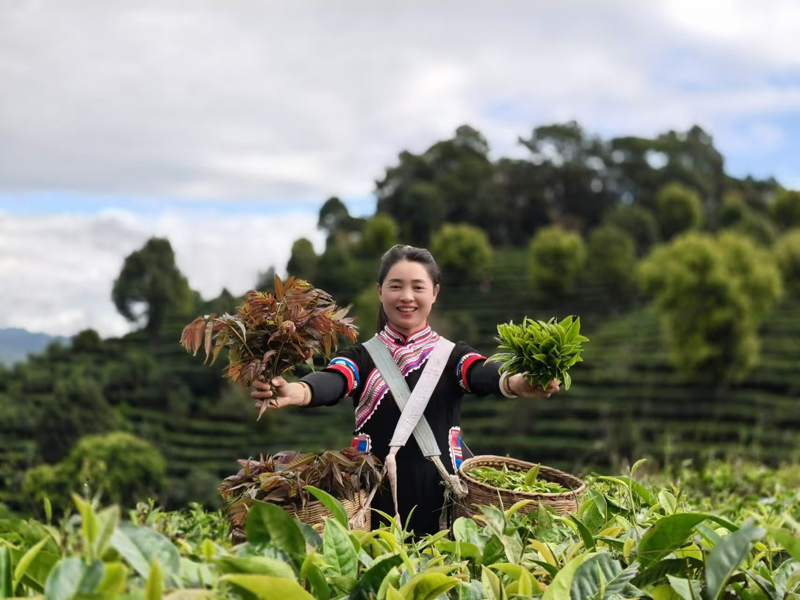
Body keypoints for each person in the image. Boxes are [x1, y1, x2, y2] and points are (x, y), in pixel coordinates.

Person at [251, 244, 561, 536]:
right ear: (380, 292)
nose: (407, 296)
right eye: (396, 286)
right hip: (375, 505)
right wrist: (298, 391)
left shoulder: (452, 357)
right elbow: (335, 380)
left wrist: (517, 382)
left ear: (435, 293)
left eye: (418, 287)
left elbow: (481, 374)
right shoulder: (362, 357)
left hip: (444, 507)